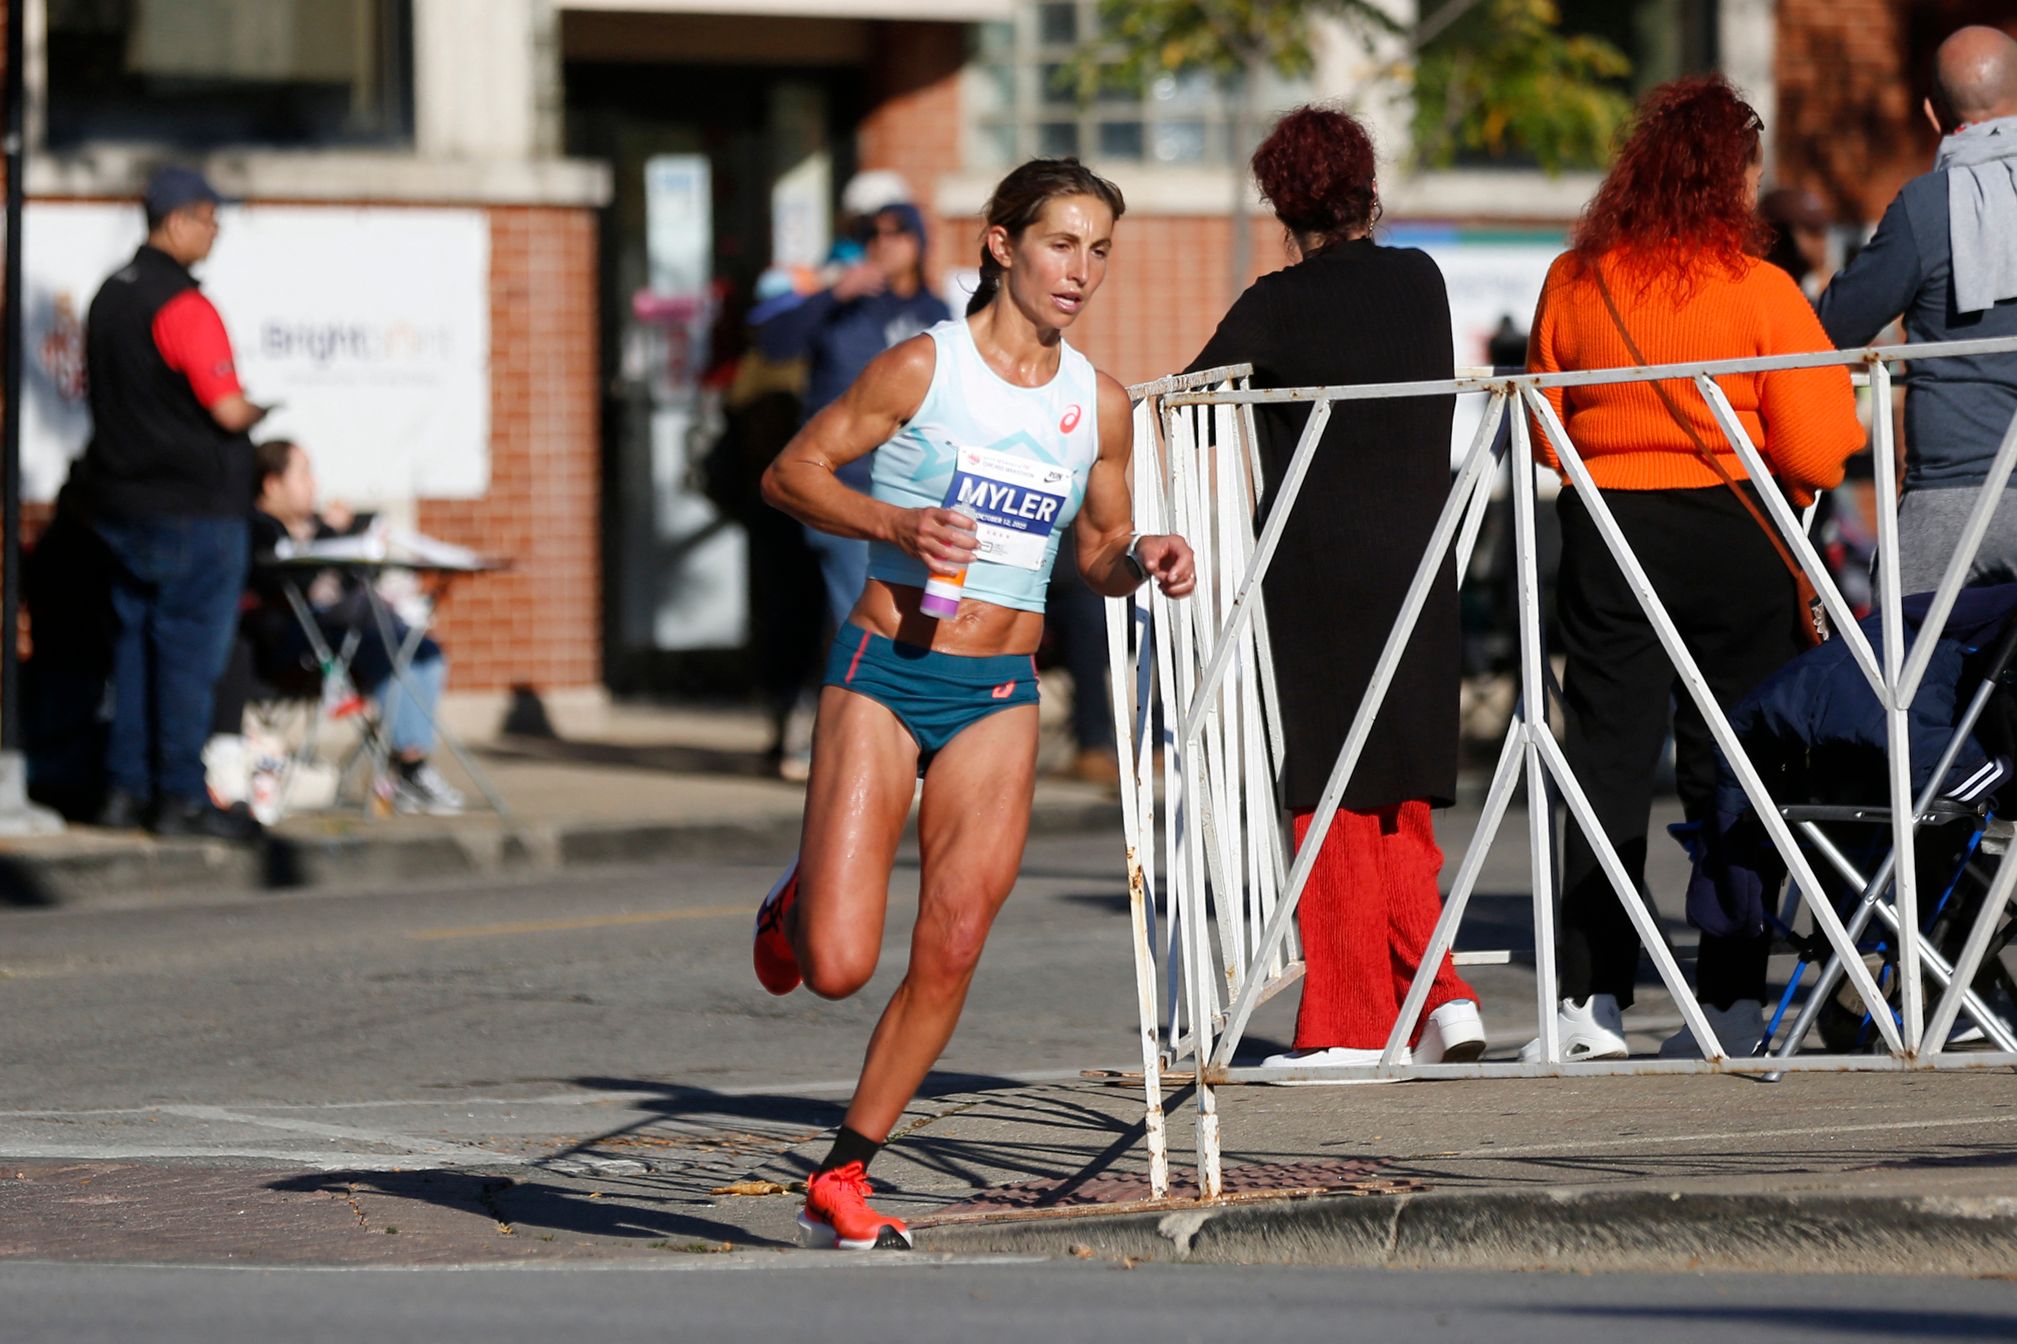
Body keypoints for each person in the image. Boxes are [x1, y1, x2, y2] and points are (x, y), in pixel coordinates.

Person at [753, 158, 1194, 1250]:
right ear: (1002, 244)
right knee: (837, 964)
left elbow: (1095, 550)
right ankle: (796, 904)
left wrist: (1141, 555)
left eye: (1099, 251)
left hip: (997, 691)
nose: (1080, 271)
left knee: (952, 939)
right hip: (885, 670)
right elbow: (792, 473)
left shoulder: (1097, 404)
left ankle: (843, 1173)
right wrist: (893, 524)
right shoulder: (924, 367)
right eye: (1061, 244)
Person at [1523, 76, 1865, 1060]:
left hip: (1607, 528)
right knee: (1732, 762)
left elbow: (1545, 429)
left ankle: (1589, 998)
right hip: (1731, 530)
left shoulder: (1573, 279)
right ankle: (1727, 997)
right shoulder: (1760, 290)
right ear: (1729, 181)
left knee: (1606, 758)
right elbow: (1817, 451)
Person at [1183, 104, 1484, 1077]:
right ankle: (1438, 1000)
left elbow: (1188, 391)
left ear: (1281, 204)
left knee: (1330, 787)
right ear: (1366, 188)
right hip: (1418, 556)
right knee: (1398, 791)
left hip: (1319, 567)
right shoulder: (1420, 279)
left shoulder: (1277, 303)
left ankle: (1348, 1023)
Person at [75, 166, 267, 841]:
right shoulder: (183, 304)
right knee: (188, 657)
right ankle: (181, 797)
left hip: (120, 505)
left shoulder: (110, 295)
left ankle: (125, 791)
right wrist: (261, 412)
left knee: (133, 651)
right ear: (178, 221)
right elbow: (227, 407)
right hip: (192, 507)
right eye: (210, 220)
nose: (215, 233)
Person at [1818, 25, 2017, 596]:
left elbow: (1832, 326)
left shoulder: (1925, 207)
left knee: (1900, 646)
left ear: (1933, 115)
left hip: (1952, 501)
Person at [246, 439, 465, 815]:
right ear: (272, 483)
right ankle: (411, 769)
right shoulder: (258, 528)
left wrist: (354, 535)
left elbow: (351, 578)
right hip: (292, 646)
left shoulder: (316, 525)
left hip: (344, 636)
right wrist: (329, 535)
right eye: (303, 475)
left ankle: (411, 764)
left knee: (423, 651)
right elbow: (288, 583)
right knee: (392, 648)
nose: (314, 484)